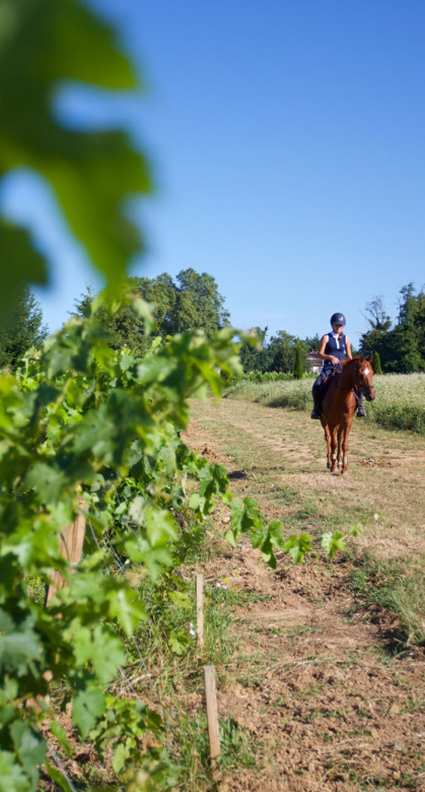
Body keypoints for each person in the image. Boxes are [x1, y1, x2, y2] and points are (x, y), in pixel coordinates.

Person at [310, 313, 367, 419]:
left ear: (343, 326)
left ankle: (360, 406)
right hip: (329, 368)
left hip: (342, 368)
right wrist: (330, 357)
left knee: (357, 384)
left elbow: (349, 356)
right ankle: (317, 409)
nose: (339, 327)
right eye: (337, 325)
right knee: (317, 384)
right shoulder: (326, 337)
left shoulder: (346, 338)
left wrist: (355, 365)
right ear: (332, 325)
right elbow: (319, 354)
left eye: (341, 325)